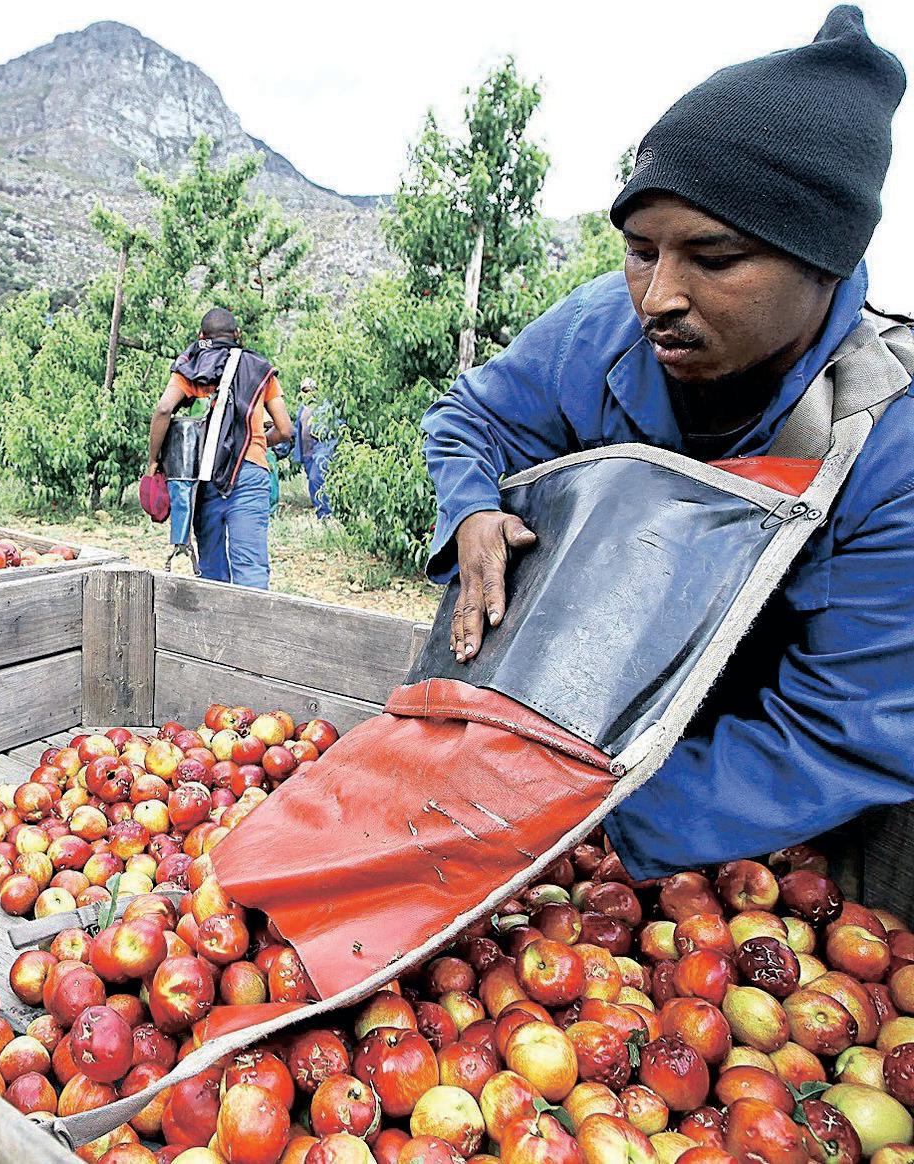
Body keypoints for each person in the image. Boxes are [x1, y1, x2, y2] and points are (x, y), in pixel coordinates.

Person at [421, 6, 910, 879]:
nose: (658, 298)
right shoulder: (605, 330)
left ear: (826, 262)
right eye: (641, 251)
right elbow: (475, 419)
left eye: (713, 259)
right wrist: (473, 507)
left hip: (755, 814)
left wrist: (590, 834)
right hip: (586, 735)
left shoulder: (889, 443)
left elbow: (845, 727)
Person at [148, 308, 293, 589]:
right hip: (250, 472)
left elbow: (164, 409)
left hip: (204, 476)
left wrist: (153, 461)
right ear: (237, 335)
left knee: (211, 569)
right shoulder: (260, 369)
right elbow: (285, 429)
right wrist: (259, 442)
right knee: (250, 567)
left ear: (201, 337)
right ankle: (252, 632)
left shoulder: (191, 368)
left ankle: (214, 632)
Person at [293, 378, 340, 519]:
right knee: (314, 482)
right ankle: (324, 512)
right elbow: (297, 428)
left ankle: (325, 514)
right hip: (307, 453)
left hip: (321, 452)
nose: (308, 394)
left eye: (311, 390)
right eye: (305, 391)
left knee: (316, 479)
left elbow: (335, 428)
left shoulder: (326, 406)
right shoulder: (302, 408)